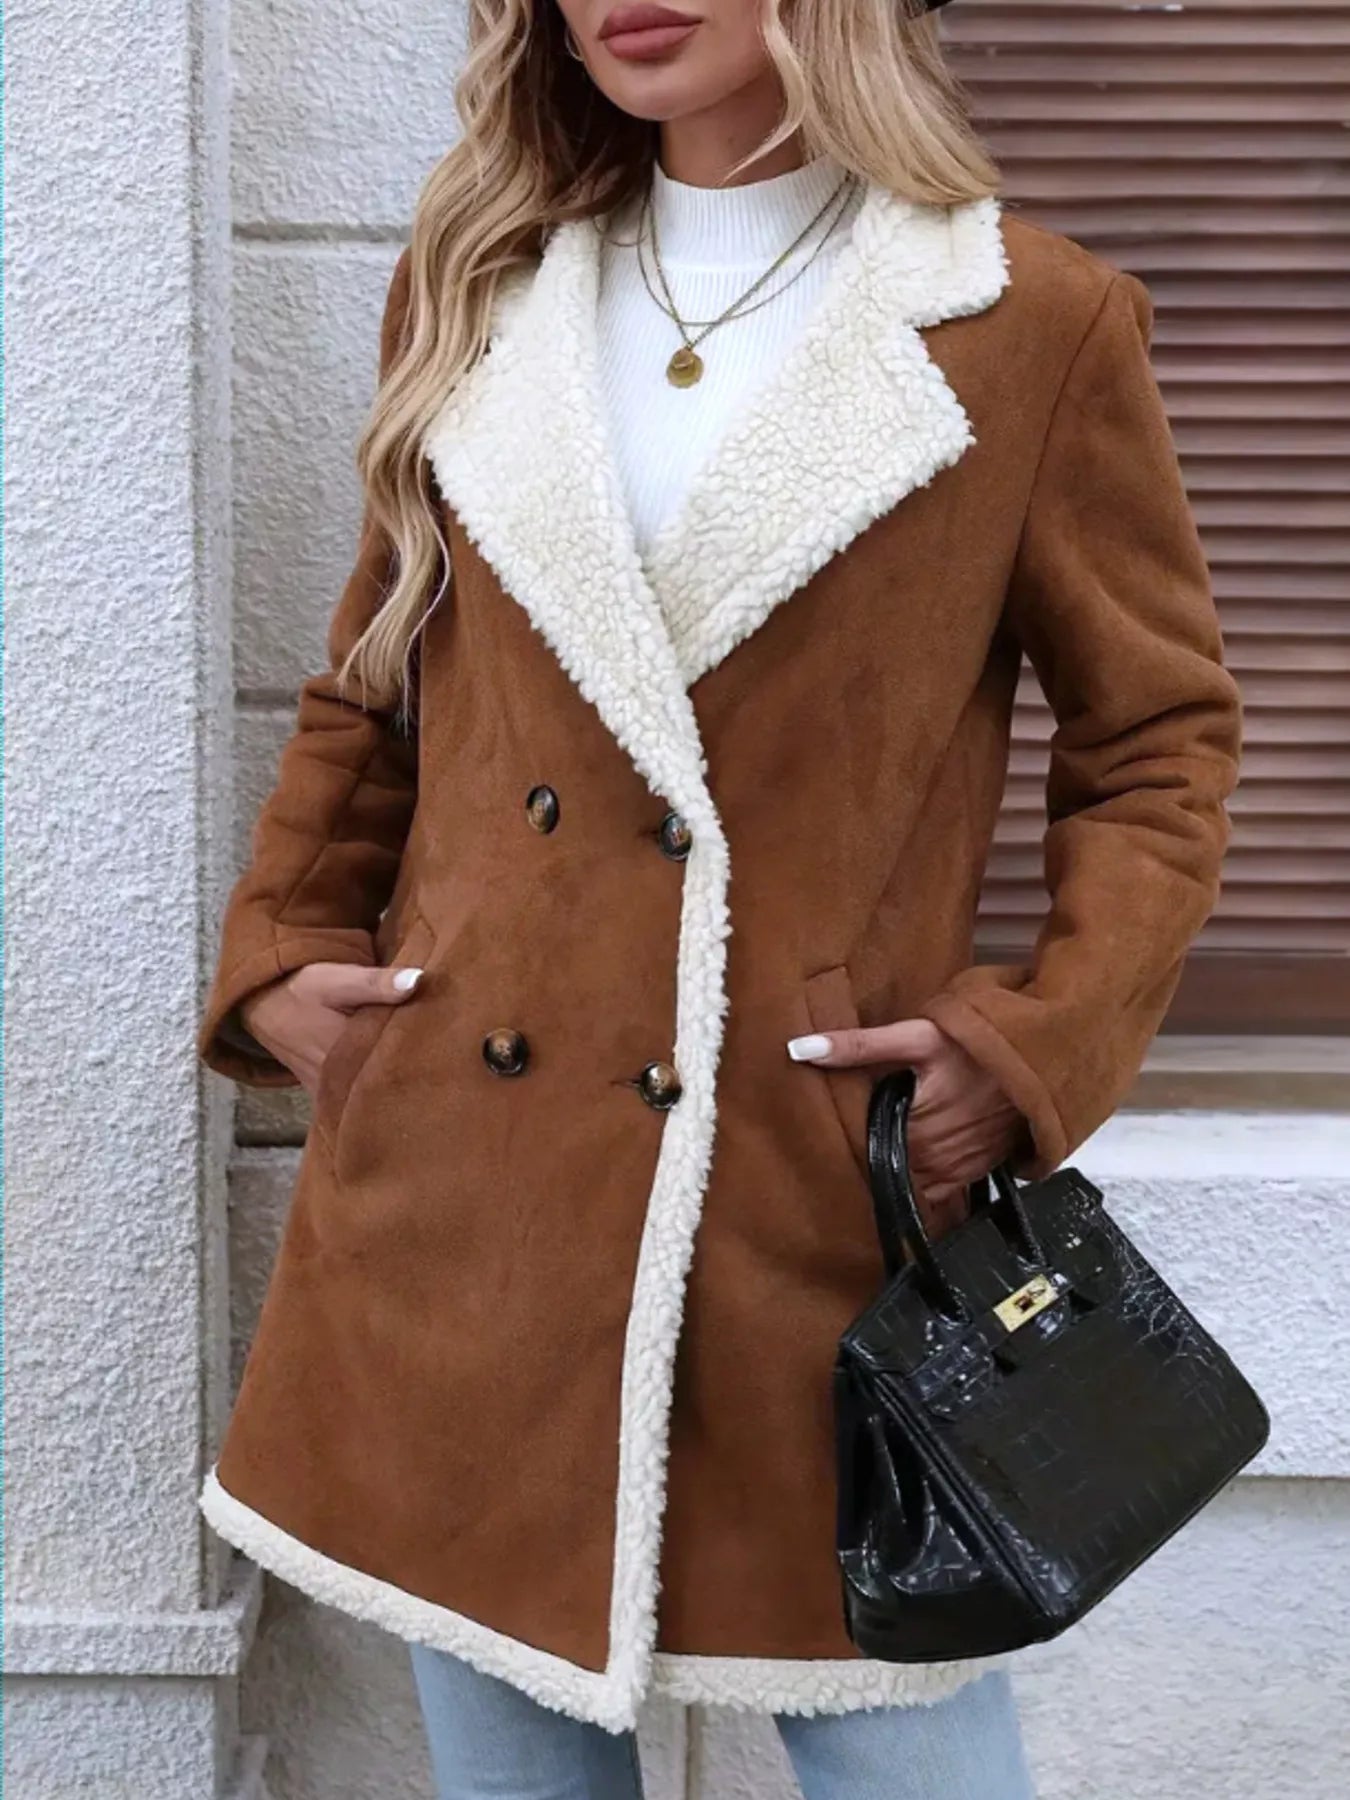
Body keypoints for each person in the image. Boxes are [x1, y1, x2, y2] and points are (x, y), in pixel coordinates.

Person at [196, 1, 1242, 1794]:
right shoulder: (485, 288)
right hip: (475, 1184)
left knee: (915, 1750)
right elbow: (376, 682)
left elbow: (1156, 745)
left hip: (807, 1179)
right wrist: (287, 948)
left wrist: (1030, 1043)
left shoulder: (1023, 323)